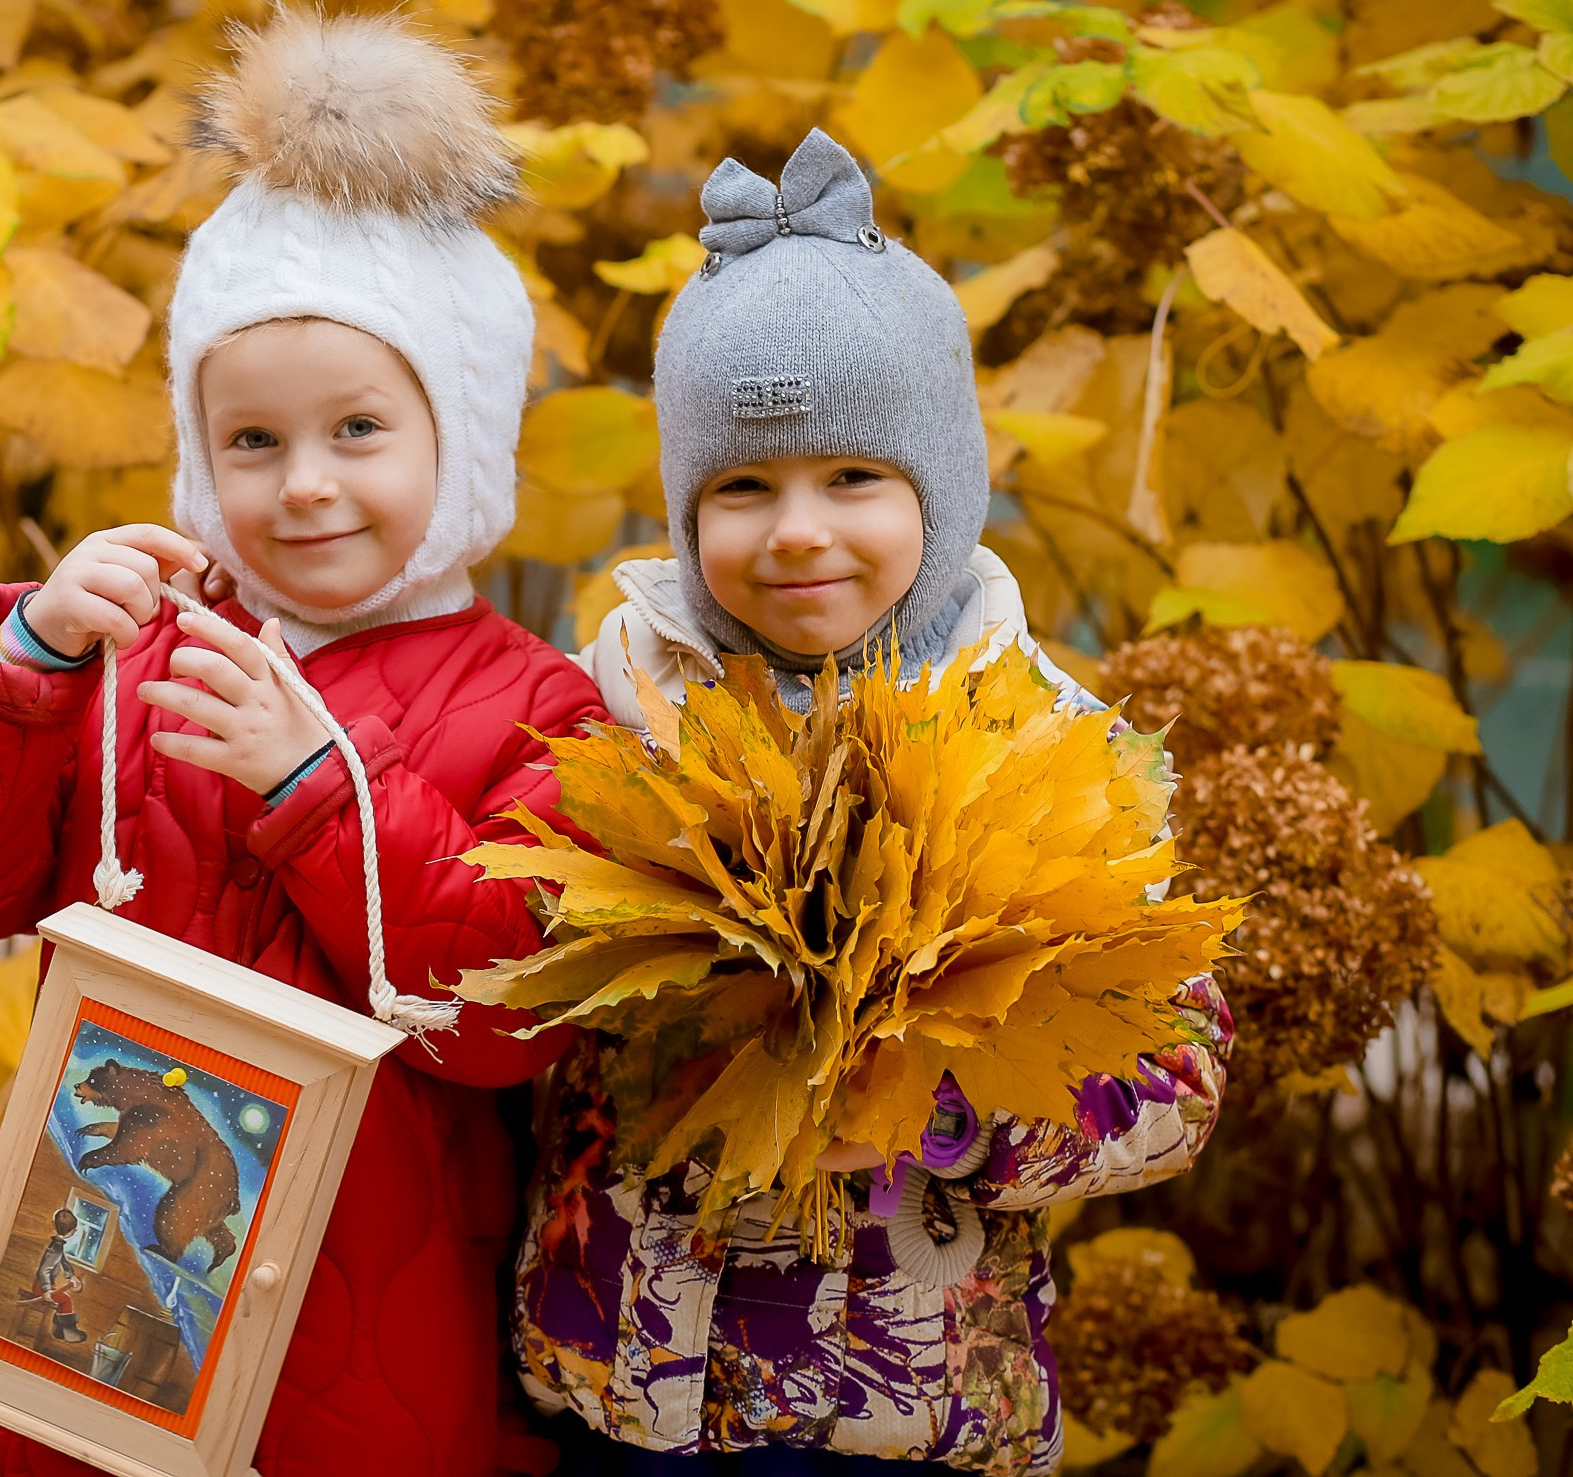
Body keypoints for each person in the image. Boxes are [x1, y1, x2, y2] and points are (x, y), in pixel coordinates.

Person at [0, 7, 607, 1477]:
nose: (304, 485)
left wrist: (317, 792)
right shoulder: (134, 659)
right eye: (250, 443)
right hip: (94, 1309)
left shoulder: (538, 703)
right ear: (198, 453)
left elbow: (514, 1014)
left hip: (362, 1337)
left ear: (459, 436)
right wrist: (27, 663)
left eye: (359, 431)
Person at [515, 131, 1232, 1477]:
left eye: (853, 478)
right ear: (685, 510)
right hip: (632, 1380)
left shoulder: (1043, 748)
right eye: (742, 486)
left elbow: (1175, 1069)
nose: (796, 530)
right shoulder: (616, 718)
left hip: (903, 1403)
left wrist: (956, 1108)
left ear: (942, 487)